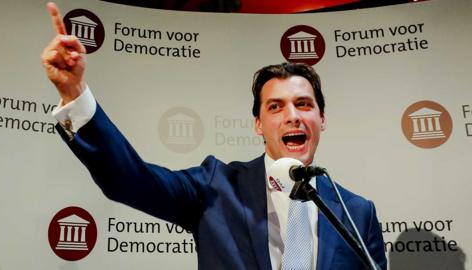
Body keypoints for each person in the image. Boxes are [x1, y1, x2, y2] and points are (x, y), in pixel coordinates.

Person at [41, 2, 387, 270]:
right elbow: (129, 180)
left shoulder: (357, 213)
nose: (292, 116)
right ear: (258, 124)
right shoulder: (216, 186)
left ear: (321, 118)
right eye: (276, 107)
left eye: (304, 104)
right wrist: (76, 96)